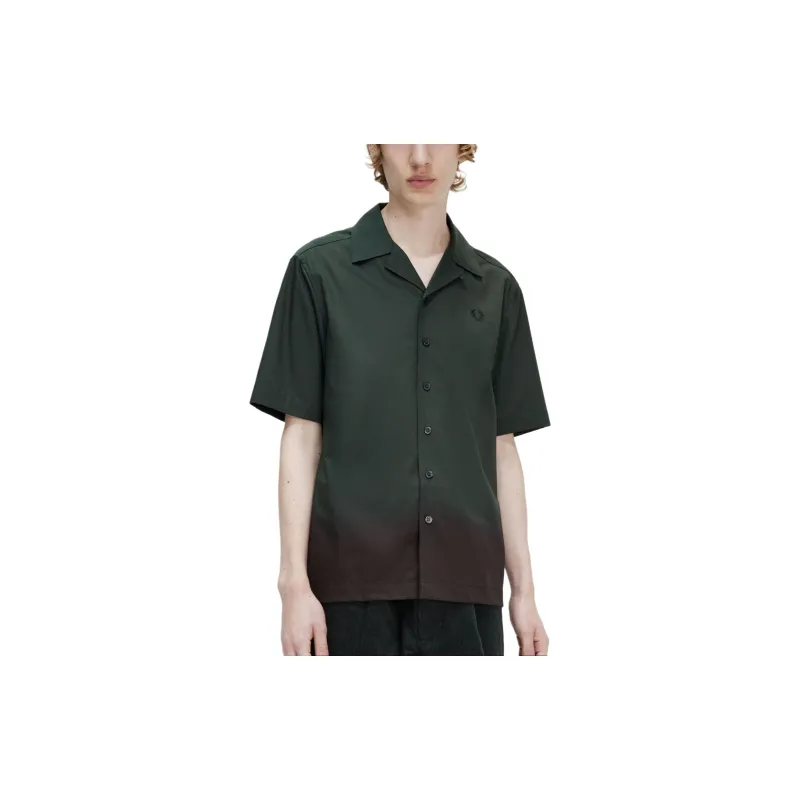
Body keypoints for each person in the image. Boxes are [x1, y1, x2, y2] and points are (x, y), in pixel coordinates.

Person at [250, 144, 551, 656]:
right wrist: (293, 584)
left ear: (463, 148)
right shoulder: (318, 273)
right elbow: (301, 436)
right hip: (349, 589)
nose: (419, 156)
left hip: (467, 587)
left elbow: (501, 448)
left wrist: (523, 591)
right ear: (377, 148)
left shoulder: (496, 289)